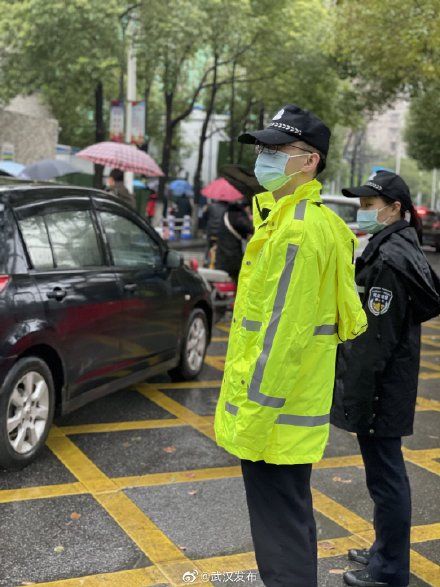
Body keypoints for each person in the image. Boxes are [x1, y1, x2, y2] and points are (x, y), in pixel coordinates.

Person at [214, 104, 368, 587]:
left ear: (309, 162)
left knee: (280, 538)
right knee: (291, 522)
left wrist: (254, 420)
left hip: (273, 420)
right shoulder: (297, 222)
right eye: (262, 149)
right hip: (289, 412)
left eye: (276, 150)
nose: (264, 158)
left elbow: (284, 338)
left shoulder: (297, 231)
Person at [330, 171, 440, 587]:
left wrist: (355, 396)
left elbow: (375, 342)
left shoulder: (390, 260)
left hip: (382, 389)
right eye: (360, 205)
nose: (362, 213)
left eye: (369, 205)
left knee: (387, 478)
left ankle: (389, 571)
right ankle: (384, 551)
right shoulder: (394, 246)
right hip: (388, 384)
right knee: (383, 477)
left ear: (395, 208)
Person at [215, 200, 253, 282]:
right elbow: (249, 228)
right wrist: (251, 219)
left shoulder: (226, 213)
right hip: (232, 257)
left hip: (222, 256)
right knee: (238, 282)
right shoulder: (236, 214)